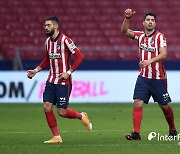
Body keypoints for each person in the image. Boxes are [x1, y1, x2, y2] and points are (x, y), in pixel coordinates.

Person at [27, 16, 92, 143]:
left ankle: (81, 116)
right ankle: (56, 136)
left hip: (63, 82)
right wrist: (35, 70)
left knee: (62, 112)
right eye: (45, 25)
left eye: (49, 25)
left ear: (56, 26)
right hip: (51, 80)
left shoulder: (65, 40)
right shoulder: (47, 42)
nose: (46, 27)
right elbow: (47, 59)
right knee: (46, 106)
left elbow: (80, 57)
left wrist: (68, 72)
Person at [121, 9, 177, 140]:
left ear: (155, 24)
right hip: (143, 77)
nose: (150, 22)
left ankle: (172, 130)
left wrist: (150, 61)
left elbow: (164, 54)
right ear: (143, 23)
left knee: (164, 105)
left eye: (152, 20)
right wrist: (127, 19)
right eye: (148, 20)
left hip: (158, 78)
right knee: (138, 102)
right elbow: (124, 31)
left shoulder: (160, 37)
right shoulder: (140, 35)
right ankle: (136, 134)